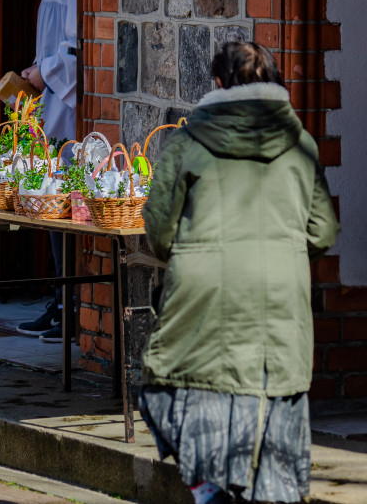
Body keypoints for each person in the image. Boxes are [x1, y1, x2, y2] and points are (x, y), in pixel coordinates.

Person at [140, 43, 339, 504]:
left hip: (203, 293)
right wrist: (282, 252)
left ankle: (210, 488)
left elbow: (158, 230)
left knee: (195, 388)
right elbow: (323, 229)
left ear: (218, 84)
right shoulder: (301, 143)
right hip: (279, 294)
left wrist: (189, 252)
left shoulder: (187, 141)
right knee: (272, 402)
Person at [15, 0, 78, 342]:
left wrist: (45, 71)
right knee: (52, 203)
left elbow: (76, 50)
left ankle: (71, 305)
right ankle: (60, 300)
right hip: (51, 101)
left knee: (64, 205)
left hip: (69, 108)